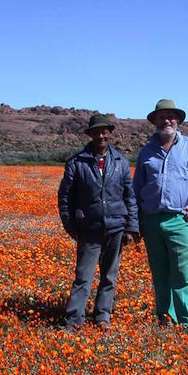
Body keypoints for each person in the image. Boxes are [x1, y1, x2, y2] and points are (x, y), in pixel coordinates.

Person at [133, 99, 188, 332]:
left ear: (178, 120)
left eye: (171, 116)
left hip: (180, 220)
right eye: (162, 117)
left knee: (182, 274)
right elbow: (136, 188)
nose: (166, 120)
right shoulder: (147, 152)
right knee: (159, 274)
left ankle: (187, 323)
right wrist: (136, 221)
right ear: (155, 122)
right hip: (150, 221)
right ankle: (165, 318)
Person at [58, 114, 139, 331]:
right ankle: (74, 319)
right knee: (83, 277)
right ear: (91, 135)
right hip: (89, 229)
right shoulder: (77, 162)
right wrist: (70, 225)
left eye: (104, 131)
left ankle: (103, 316)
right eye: (96, 132)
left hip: (116, 228)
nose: (101, 135)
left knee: (109, 276)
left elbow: (129, 196)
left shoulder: (121, 162)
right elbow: (65, 197)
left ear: (110, 133)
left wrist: (131, 227)